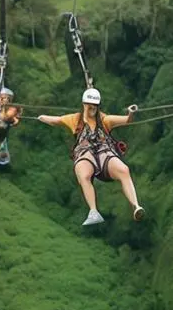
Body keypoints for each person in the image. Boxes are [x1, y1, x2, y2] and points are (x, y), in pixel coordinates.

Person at [36, 88, 144, 226]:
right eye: (89, 104)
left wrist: (131, 113)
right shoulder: (75, 119)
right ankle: (93, 211)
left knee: (124, 169)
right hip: (86, 153)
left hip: (104, 153)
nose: (92, 107)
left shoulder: (105, 119)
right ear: (84, 104)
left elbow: (126, 120)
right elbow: (56, 120)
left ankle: (136, 205)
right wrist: (42, 117)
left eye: (95, 105)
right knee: (83, 172)